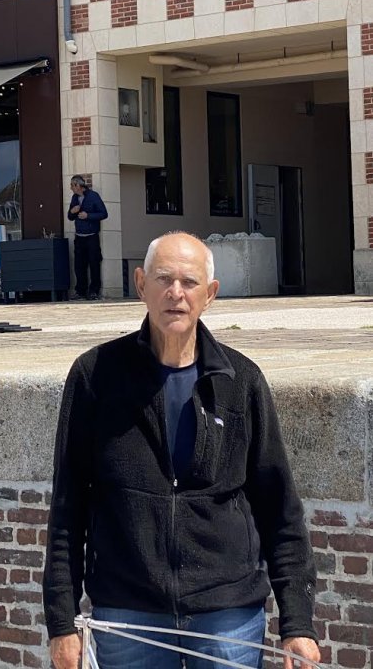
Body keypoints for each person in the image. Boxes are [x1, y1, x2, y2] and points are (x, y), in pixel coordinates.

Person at [43, 231, 320, 669]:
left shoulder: (241, 381)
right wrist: (61, 623)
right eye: (164, 279)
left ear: (210, 294)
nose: (176, 293)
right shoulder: (95, 376)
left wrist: (298, 624)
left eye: (190, 282)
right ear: (141, 284)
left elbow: (279, 509)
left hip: (227, 617)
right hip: (128, 614)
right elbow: (67, 507)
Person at [67, 175, 108, 300]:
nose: (71, 188)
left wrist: (88, 216)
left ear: (78, 185)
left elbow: (104, 213)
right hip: (79, 236)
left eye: (72, 185)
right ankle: (80, 291)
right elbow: (70, 217)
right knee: (79, 265)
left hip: (92, 236)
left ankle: (94, 291)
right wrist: (72, 212)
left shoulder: (93, 196)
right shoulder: (74, 198)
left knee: (94, 263)